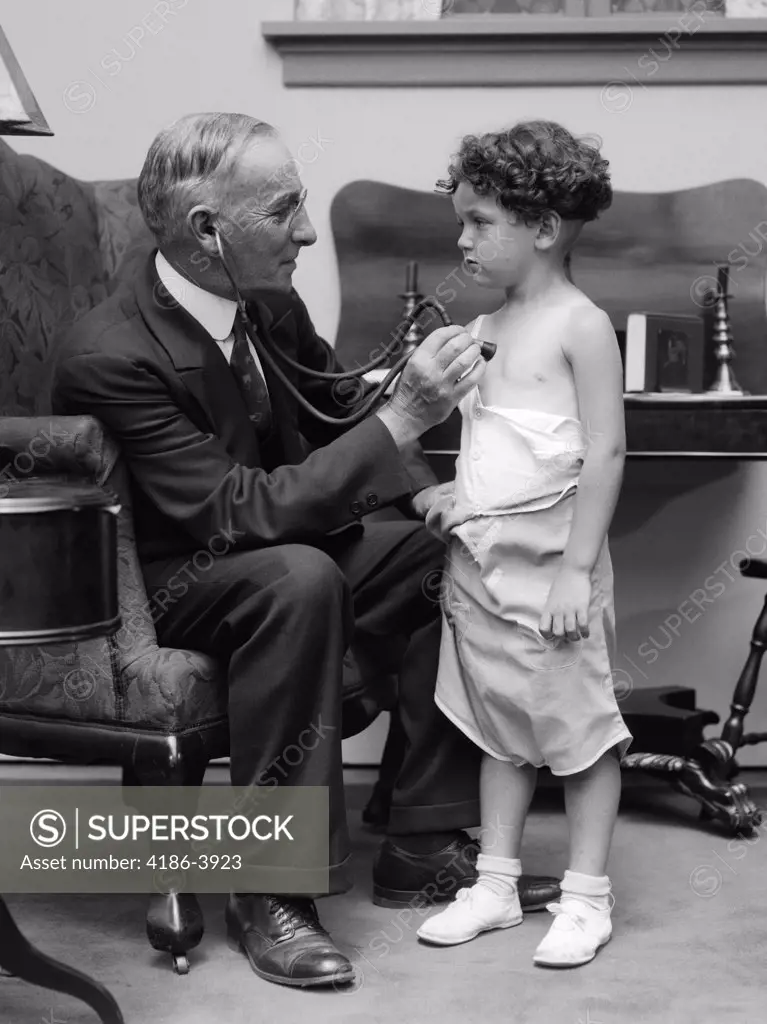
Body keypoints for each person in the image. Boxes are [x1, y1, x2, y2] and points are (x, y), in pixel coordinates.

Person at [50, 113, 560, 989]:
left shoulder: (269, 306)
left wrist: (432, 496)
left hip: (279, 545)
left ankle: (419, 834)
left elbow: (334, 424)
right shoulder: (113, 353)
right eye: (283, 209)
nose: (306, 230)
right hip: (167, 577)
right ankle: (270, 893)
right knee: (299, 576)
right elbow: (228, 512)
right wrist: (406, 416)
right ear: (208, 230)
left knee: (456, 555)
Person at [415, 120, 632, 967]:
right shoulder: (486, 324)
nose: (460, 237)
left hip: (552, 568)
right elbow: (497, 443)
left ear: (541, 228)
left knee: (579, 732)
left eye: (479, 221)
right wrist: (453, 492)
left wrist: (579, 567)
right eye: (460, 219)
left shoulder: (581, 325)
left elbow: (603, 451)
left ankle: (585, 897)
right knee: (496, 726)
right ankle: (497, 883)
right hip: (481, 567)